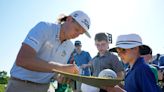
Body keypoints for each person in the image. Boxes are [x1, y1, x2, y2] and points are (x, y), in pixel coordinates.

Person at [6, 10, 91, 92]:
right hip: (20, 86)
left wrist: (61, 77)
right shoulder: (44, 28)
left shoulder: (70, 47)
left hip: (45, 87)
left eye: (81, 33)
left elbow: (54, 72)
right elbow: (23, 60)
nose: (77, 35)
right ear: (68, 19)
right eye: (76, 29)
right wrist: (62, 68)